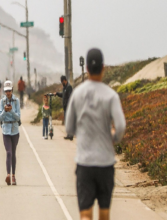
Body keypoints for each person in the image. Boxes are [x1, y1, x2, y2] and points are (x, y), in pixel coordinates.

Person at [65, 48, 126, 220]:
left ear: (87, 70)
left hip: (85, 163)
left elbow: (69, 128)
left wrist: (83, 132)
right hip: (105, 163)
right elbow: (120, 126)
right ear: (103, 67)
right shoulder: (111, 96)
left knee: (85, 213)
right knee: (104, 213)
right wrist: (114, 137)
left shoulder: (77, 94)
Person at [0, 80, 21, 186]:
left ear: (12, 90)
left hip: (15, 130)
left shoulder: (16, 101)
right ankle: (8, 174)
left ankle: (13, 176)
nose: (8, 93)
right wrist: (5, 111)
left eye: (9, 91)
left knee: (13, 153)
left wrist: (11, 111)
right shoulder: (2, 102)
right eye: (6, 91)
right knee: (8, 152)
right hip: (6, 130)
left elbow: (18, 117)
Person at [54, 75, 73, 140]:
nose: (62, 83)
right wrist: (57, 93)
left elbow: (70, 97)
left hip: (68, 108)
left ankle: (71, 135)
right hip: (65, 108)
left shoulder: (69, 87)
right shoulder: (64, 88)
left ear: (65, 80)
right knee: (67, 122)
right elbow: (63, 95)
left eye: (62, 81)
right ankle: (68, 134)